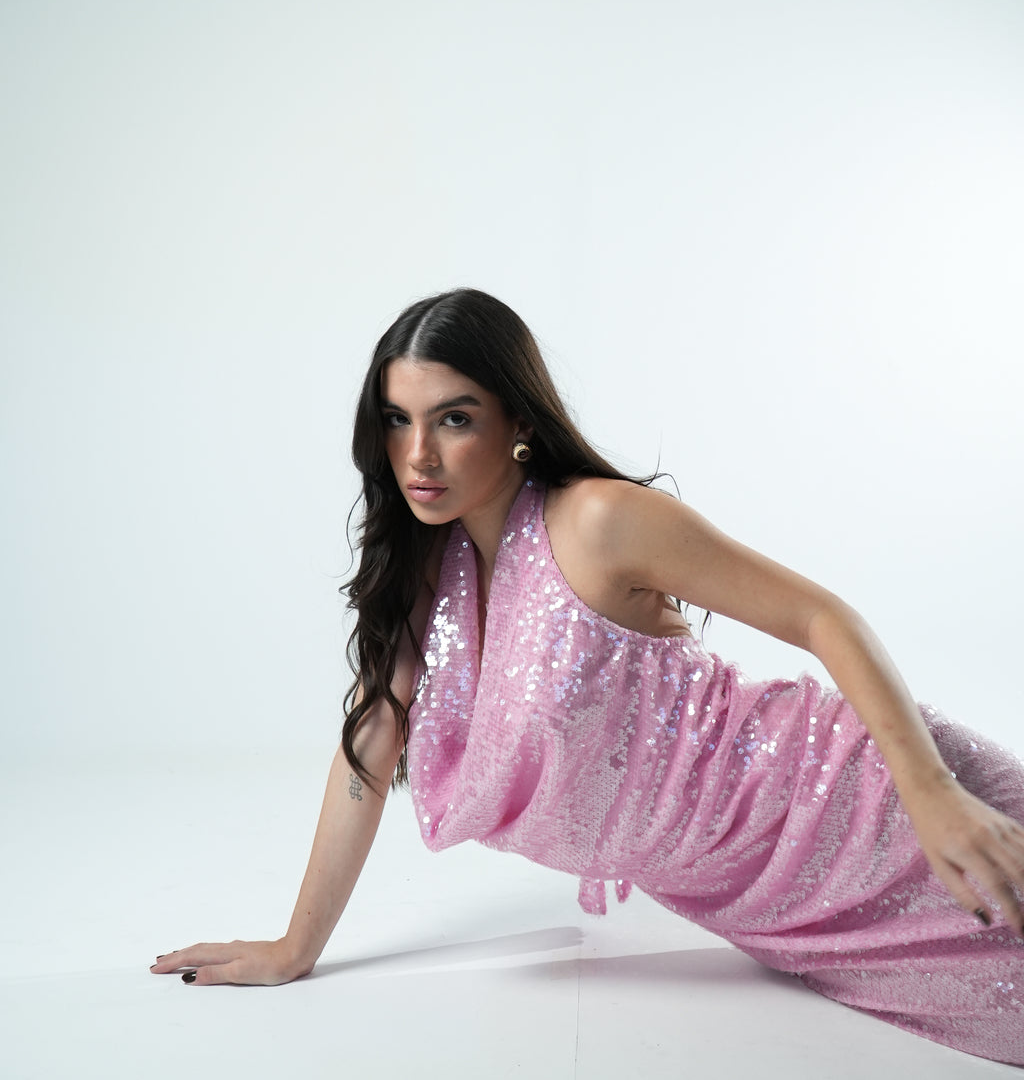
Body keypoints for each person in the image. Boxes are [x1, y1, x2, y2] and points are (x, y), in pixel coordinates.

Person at [151, 288, 1024, 1064]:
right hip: (761, 900)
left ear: (519, 421)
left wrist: (933, 793)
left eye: (453, 418)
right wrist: (294, 946)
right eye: (396, 418)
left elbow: (822, 617)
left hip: (858, 809)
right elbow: (369, 744)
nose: (417, 454)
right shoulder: (428, 566)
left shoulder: (599, 520)